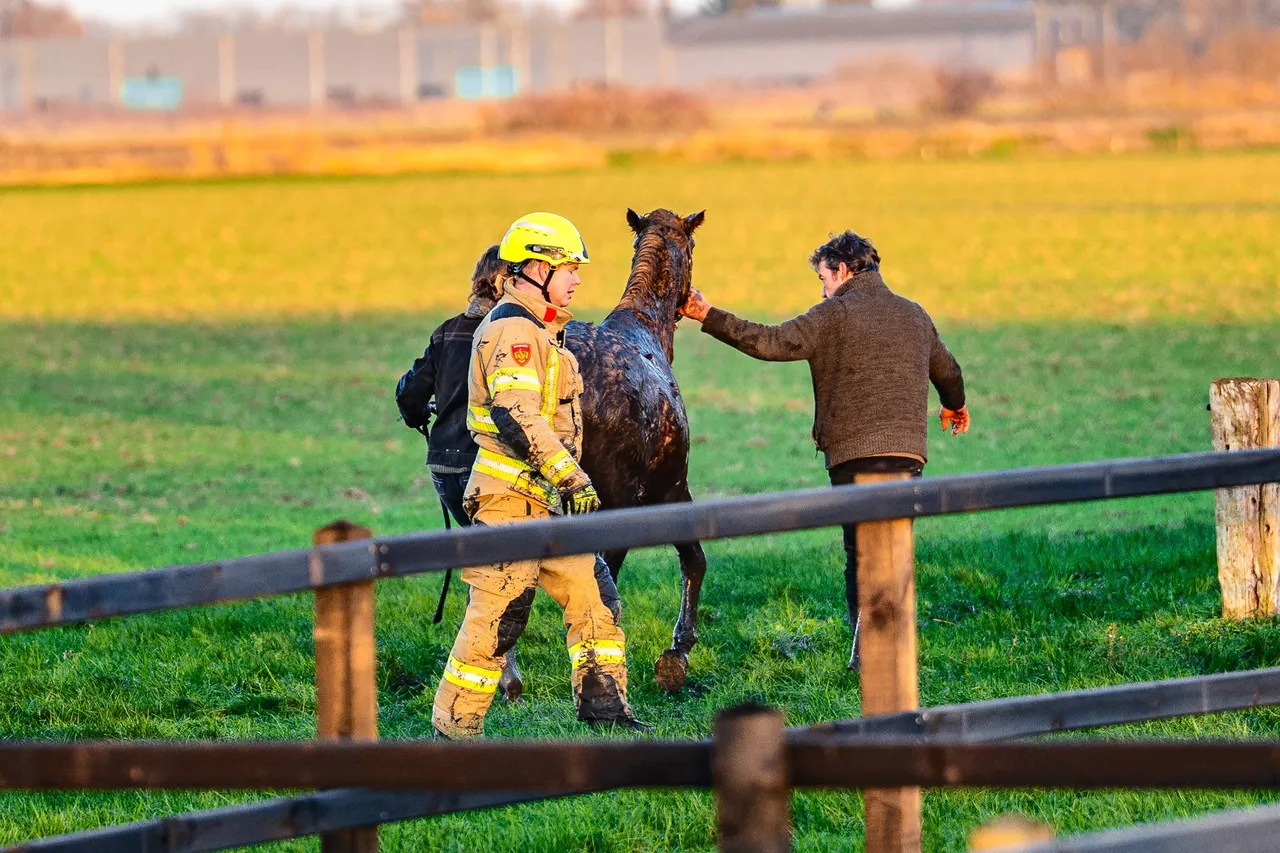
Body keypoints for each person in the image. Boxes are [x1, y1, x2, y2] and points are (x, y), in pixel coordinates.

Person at [679, 230, 969, 671]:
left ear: (844, 270)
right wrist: (955, 406)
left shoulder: (834, 314)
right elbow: (948, 370)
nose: (821, 287)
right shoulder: (914, 314)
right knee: (894, 549)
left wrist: (706, 313)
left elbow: (769, 342)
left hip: (853, 456)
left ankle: (868, 655)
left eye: (823, 277)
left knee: (860, 552)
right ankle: (891, 649)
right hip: (909, 456)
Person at [431, 212, 647, 738]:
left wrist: (561, 483)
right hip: (509, 500)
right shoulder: (514, 332)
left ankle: (607, 716)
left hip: (545, 501)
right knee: (498, 615)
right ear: (533, 269)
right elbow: (516, 414)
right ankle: (454, 731)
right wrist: (572, 477)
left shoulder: (542, 329)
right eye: (567, 267)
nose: (576, 279)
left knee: (596, 600)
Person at [395, 245, 505, 526]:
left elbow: (408, 394)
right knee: (496, 558)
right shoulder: (508, 334)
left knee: (478, 549)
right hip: (485, 466)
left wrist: (419, 416)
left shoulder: (447, 331)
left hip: (443, 466)